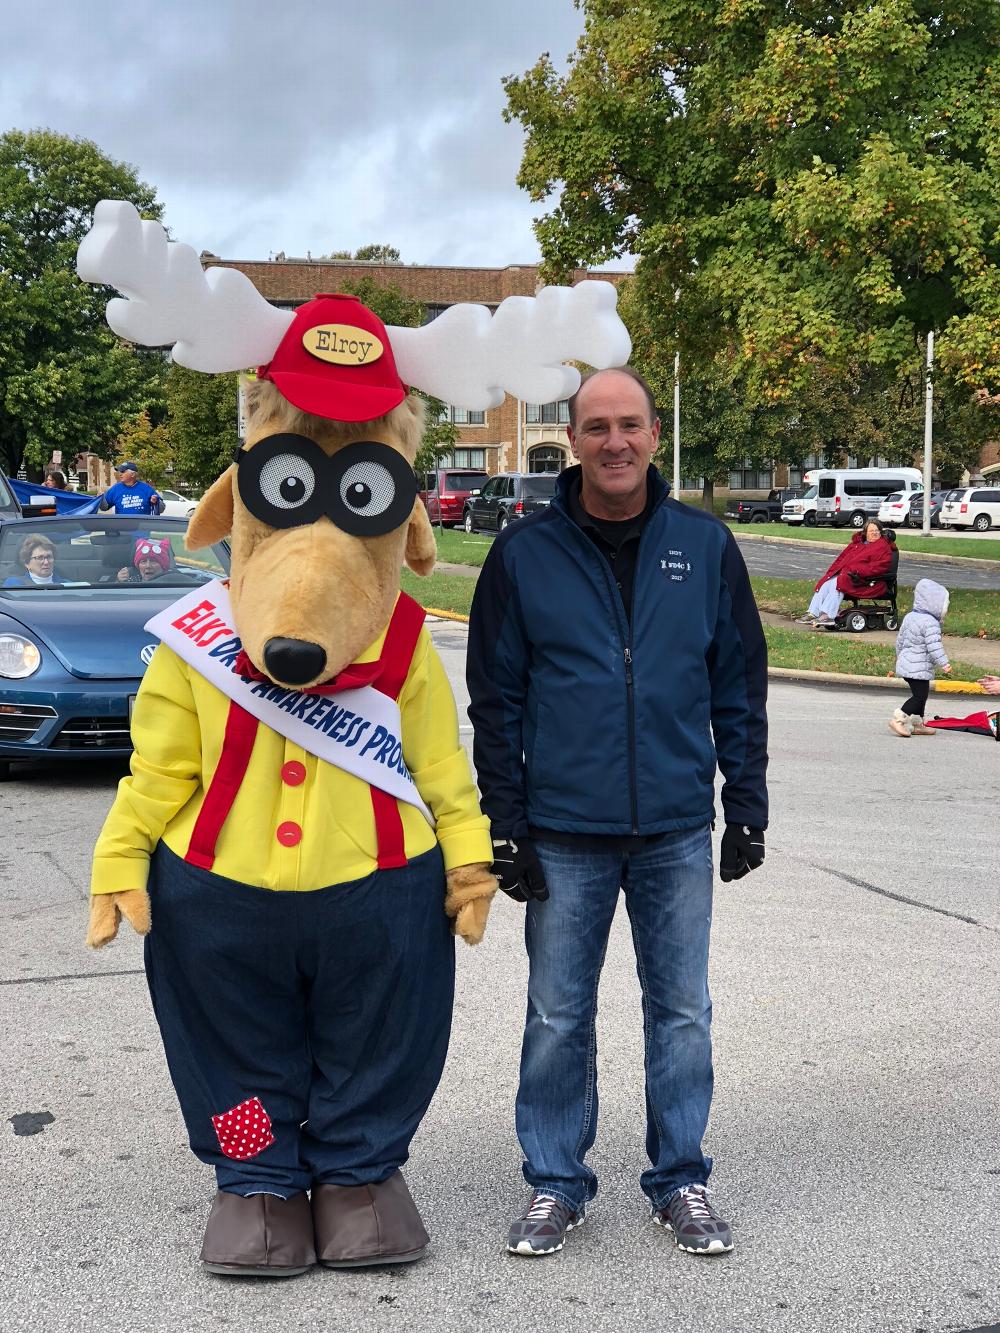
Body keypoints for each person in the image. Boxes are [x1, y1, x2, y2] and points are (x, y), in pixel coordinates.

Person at [467, 366, 768, 1259]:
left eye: (629, 424)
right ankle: (556, 1181)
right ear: (573, 438)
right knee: (558, 1014)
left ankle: (681, 1177)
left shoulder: (704, 546)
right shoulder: (524, 554)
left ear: (654, 433)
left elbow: (737, 684)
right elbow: (497, 699)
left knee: (682, 1011)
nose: (615, 442)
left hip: (675, 827)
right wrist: (505, 822)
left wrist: (746, 803)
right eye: (596, 426)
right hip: (564, 830)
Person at [798, 519, 893, 626]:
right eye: (871, 530)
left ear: (880, 532)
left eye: (877, 530)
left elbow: (879, 567)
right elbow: (840, 560)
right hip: (850, 576)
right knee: (827, 582)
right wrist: (831, 573)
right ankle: (813, 613)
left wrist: (856, 570)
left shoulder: (882, 547)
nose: (874, 533)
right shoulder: (858, 544)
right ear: (865, 532)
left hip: (866, 582)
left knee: (839, 582)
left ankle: (828, 616)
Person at [890, 578, 952, 736]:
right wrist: (944, 663)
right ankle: (898, 719)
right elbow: (934, 646)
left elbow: (900, 640)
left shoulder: (910, 616)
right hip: (918, 667)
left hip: (908, 664)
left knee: (922, 695)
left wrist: (899, 656)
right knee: (919, 696)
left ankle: (917, 723)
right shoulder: (931, 623)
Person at [98, 461, 163, 516]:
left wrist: (156, 502)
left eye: (123, 471)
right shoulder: (115, 489)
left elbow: (161, 509)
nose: (120, 474)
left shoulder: (146, 488)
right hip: (122, 526)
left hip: (142, 526)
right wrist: (100, 499)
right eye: (119, 472)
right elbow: (104, 508)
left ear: (133, 474)